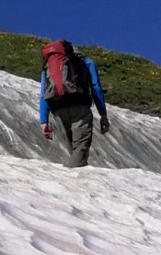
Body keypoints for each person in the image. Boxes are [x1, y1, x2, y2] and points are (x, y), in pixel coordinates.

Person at [38, 38, 110, 167]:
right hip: (80, 108)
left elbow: (44, 94)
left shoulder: (48, 67)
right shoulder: (86, 62)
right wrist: (103, 115)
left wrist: (44, 121)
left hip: (58, 110)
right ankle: (71, 179)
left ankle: (75, 178)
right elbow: (96, 88)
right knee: (80, 149)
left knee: (74, 152)